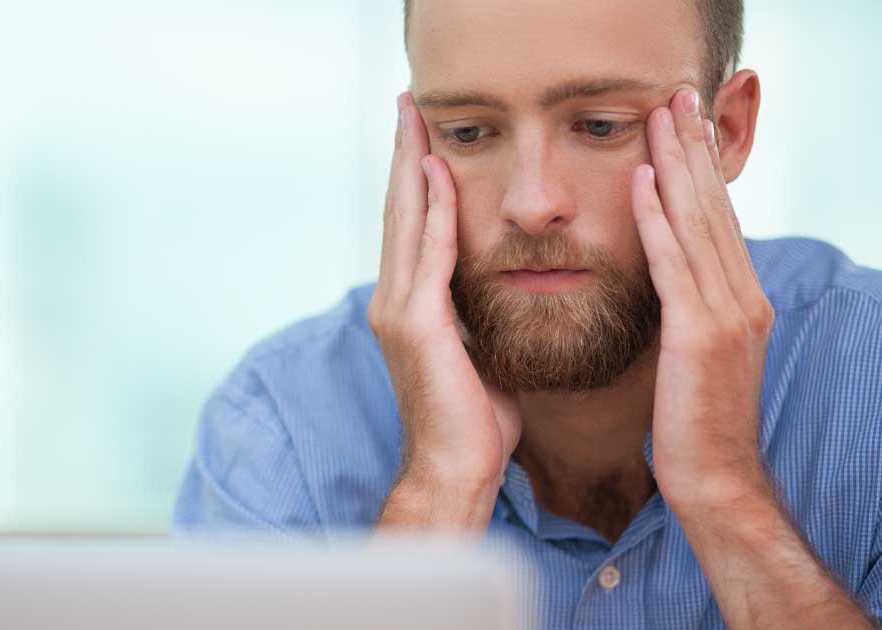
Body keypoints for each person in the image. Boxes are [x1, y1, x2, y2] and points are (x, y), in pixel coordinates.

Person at [173, 0, 882, 627]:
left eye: (601, 126)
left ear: (726, 131)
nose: (532, 201)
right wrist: (439, 491)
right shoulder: (280, 425)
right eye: (469, 133)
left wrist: (725, 491)